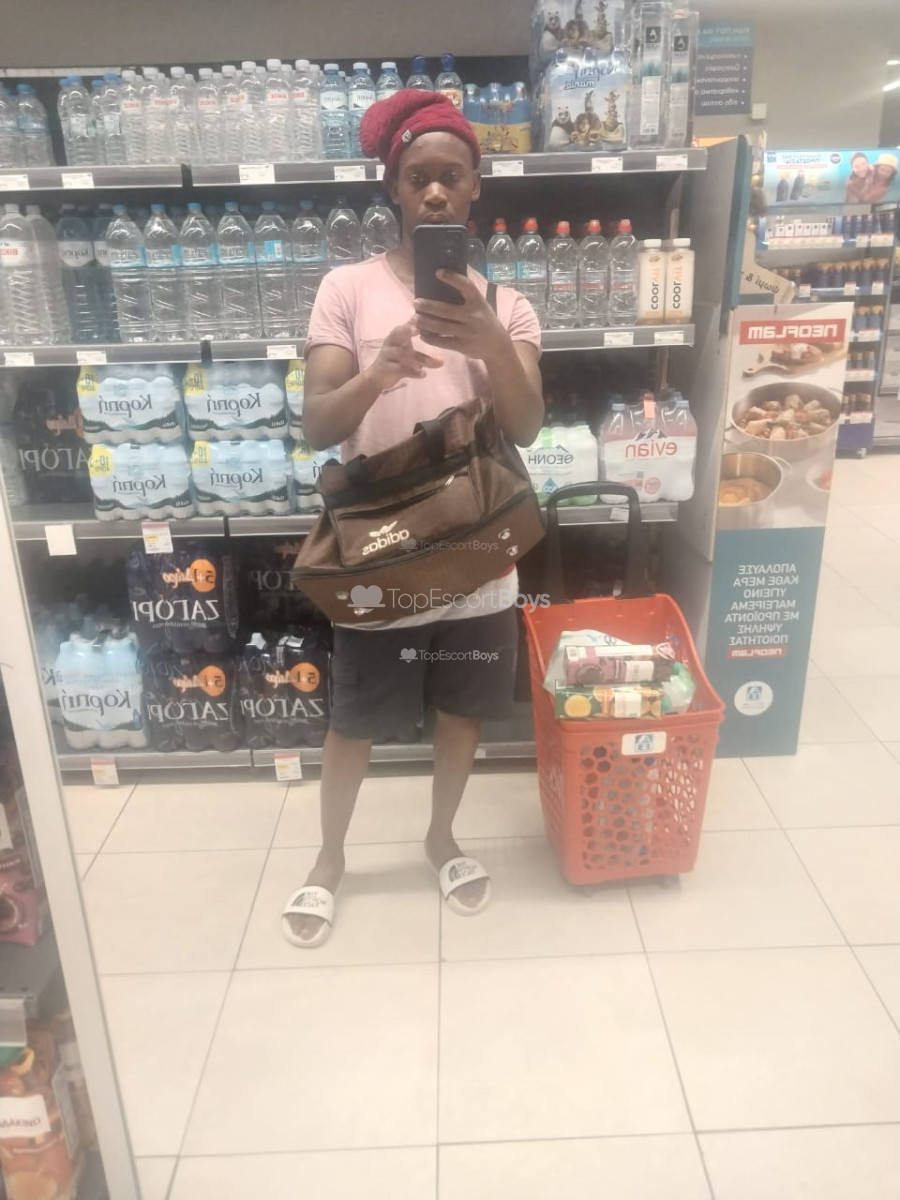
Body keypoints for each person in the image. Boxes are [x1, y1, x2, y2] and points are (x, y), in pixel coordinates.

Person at [281, 90, 544, 948]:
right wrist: (378, 373)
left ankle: (441, 838)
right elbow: (318, 423)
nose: (435, 192)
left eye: (451, 177)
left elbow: (528, 425)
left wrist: (489, 341)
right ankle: (329, 858)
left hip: (478, 557)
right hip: (384, 552)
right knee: (355, 716)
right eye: (417, 177)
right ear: (392, 187)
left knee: (464, 708)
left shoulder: (508, 306)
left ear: (476, 185)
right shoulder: (346, 290)